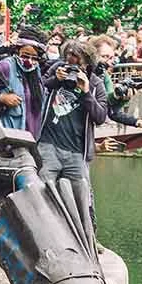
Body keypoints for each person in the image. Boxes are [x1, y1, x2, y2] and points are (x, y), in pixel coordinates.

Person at [36, 39, 108, 186]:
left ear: (87, 65)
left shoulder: (95, 83)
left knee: (81, 195)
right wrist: (55, 80)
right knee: (42, 190)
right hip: (48, 145)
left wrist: (86, 93)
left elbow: (100, 117)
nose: (72, 70)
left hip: (76, 151)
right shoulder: (58, 69)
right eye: (69, 64)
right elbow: (36, 90)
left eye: (77, 66)